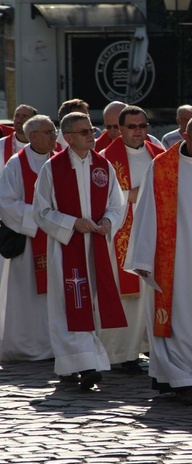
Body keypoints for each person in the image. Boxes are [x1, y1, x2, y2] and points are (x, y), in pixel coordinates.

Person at [125, 115, 192, 405]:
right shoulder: (163, 167)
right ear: (184, 136)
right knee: (180, 315)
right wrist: (144, 258)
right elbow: (147, 212)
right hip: (176, 258)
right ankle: (182, 377)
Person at [32, 111, 127, 390]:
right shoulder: (52, 169)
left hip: (96, 246)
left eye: (92, 130)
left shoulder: (104, 165)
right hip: (67, 247)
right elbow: (42, 211)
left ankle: (76, 364)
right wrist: (74, 224)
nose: (91, 135)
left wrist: (109, 221)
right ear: (69, 137)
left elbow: (117, 203)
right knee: (69, 304)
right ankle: (84, 365)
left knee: (91, 303)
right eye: (84, 132)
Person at [100, 105, 165, 373]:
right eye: (132, 127)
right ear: (121, 128)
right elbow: (103, 199)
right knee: (126, 296)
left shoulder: (158, 155)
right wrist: (136, 193)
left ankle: (148, 345)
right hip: (122, 232)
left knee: (150, 293)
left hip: (153, 231)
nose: (138, 131)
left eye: (143, 126)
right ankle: (121, 353)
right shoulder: (105, 158)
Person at [0, 114, 57, 361]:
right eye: (50, 132)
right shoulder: (15, 164)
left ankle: (55, 345)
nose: (55, 136)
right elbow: (6, 203)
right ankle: (26, 346)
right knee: (26, 296)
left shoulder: (59, 161)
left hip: (56, 239)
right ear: (33, 136)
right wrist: (41, 219)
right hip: (28, 241)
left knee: (55, 294)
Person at [0, 104, 36, 172]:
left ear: (34, 121)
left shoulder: (43, 144)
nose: (19, 120)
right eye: (17, 116)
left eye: (24, 116)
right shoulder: (1, 144)